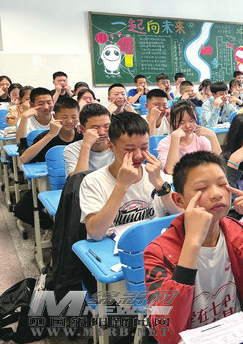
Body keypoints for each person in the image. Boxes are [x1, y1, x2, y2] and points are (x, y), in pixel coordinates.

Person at [143, 151, 243, 344]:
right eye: (202, 188)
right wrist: (192, 242)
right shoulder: (158, 252)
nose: (217, 193)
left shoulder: (241, 233)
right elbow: (166, 333)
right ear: (179, 200)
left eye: (222, 184)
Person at [79, 112, 181, 241]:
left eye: (144, 147)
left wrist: (159, 184)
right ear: (111, 147)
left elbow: (180, 215)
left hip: (155, 243)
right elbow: (96, 233)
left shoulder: (154, 173)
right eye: (129, 150)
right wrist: (122, 186)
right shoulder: (93, 181)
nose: (138, 155)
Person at [14, 97, 82, 230]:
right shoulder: (46, 136)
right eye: (64, 117)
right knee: (21, 209)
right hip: (48, 186)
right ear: (55, 117)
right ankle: (52, 227)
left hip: (75, 186)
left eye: (74, 117)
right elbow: (24, 159)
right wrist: (51, 135)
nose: (69, 121)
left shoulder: (82, 137)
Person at [157, 100, 219, 174]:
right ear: (173, 122)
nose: (188, 125)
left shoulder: (201, 140)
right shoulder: (164, 143)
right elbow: (170, 171)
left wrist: (212, 136)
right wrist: (175, 139)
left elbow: (217, 167)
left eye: (191, 120)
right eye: (182, 122)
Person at [64, 103, 113, 176]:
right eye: (95, 128)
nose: (102, 132)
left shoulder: (117, 145)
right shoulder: (72, 150)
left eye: (106, 126)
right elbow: (77, 180)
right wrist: (86, 146)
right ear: (82, 129)